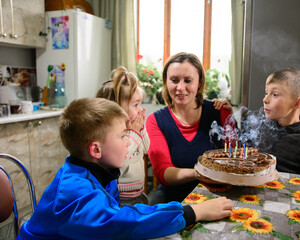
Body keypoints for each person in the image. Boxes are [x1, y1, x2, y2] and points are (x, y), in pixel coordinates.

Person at [17, 98, 233, 240]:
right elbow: (123, 223)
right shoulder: (74, 191)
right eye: (122, 136)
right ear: (96, 149)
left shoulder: (95, 170)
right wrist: (194, 211)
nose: (128, 142)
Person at [146, 52, 233, 205]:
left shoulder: (220, 112)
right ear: (166, 82)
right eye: (174, 80)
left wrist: (229, 120)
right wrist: (201, 173)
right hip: (173, 197)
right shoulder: (156, 121)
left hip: (216, 193)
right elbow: (162, 173)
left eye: (188, 80)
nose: (180, 88)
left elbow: (236, 158)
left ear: (199, 83)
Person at [235, 68, 300, 179]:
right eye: (266, 92)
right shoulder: (263, 127)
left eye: (275, 94)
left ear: (298, 103)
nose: (265, 99)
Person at [96, 66, 149, 206]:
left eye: (140, 104)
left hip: (138, 193)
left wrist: (141, 130)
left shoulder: (134, 131)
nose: (140, 110)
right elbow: (122, 157)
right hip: (121, 198)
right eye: (135, 105)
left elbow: (146, 149)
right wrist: (134, 133)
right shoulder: (112, 135)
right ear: (116, 108)